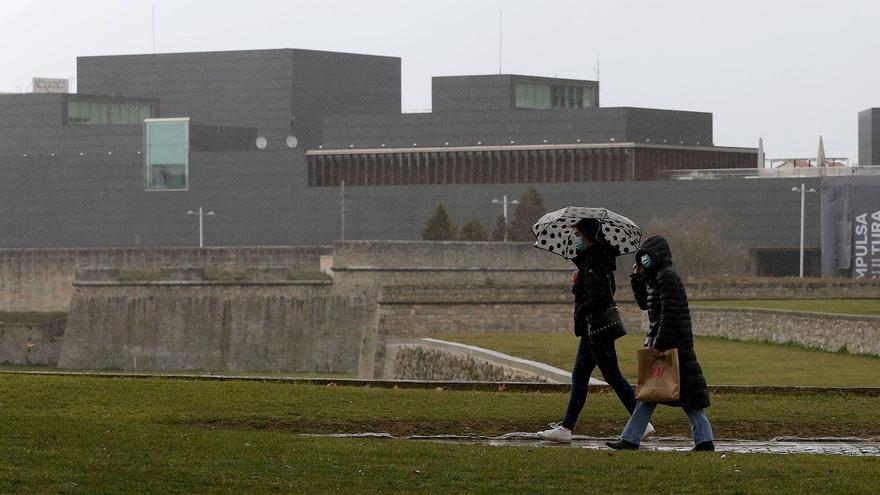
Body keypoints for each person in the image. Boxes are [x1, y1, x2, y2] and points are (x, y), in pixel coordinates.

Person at [537, 218, 654, 443]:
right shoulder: (598, 261)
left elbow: (596, 297)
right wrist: (579, 277)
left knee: (610, 375)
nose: (577, 240)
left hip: (596, 328)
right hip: (596, 328)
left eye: (579, 236)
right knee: (581, 376)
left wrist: (580, 292)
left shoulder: (593, 264)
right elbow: (604, 290)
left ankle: (641, 423)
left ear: (588, 236)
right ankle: (566, 427)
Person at [605, 235, 715, 452]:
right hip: (668, 343)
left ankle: (703, 440)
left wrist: (661, 342)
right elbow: (645, 305)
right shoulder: (657, 279)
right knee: (653, 393)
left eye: (645, 258)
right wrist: (637, 278)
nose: (643, 261)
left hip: (674, 346)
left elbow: (670, 314)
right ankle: (632, 438)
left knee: (679, 396)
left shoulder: (667, 278)